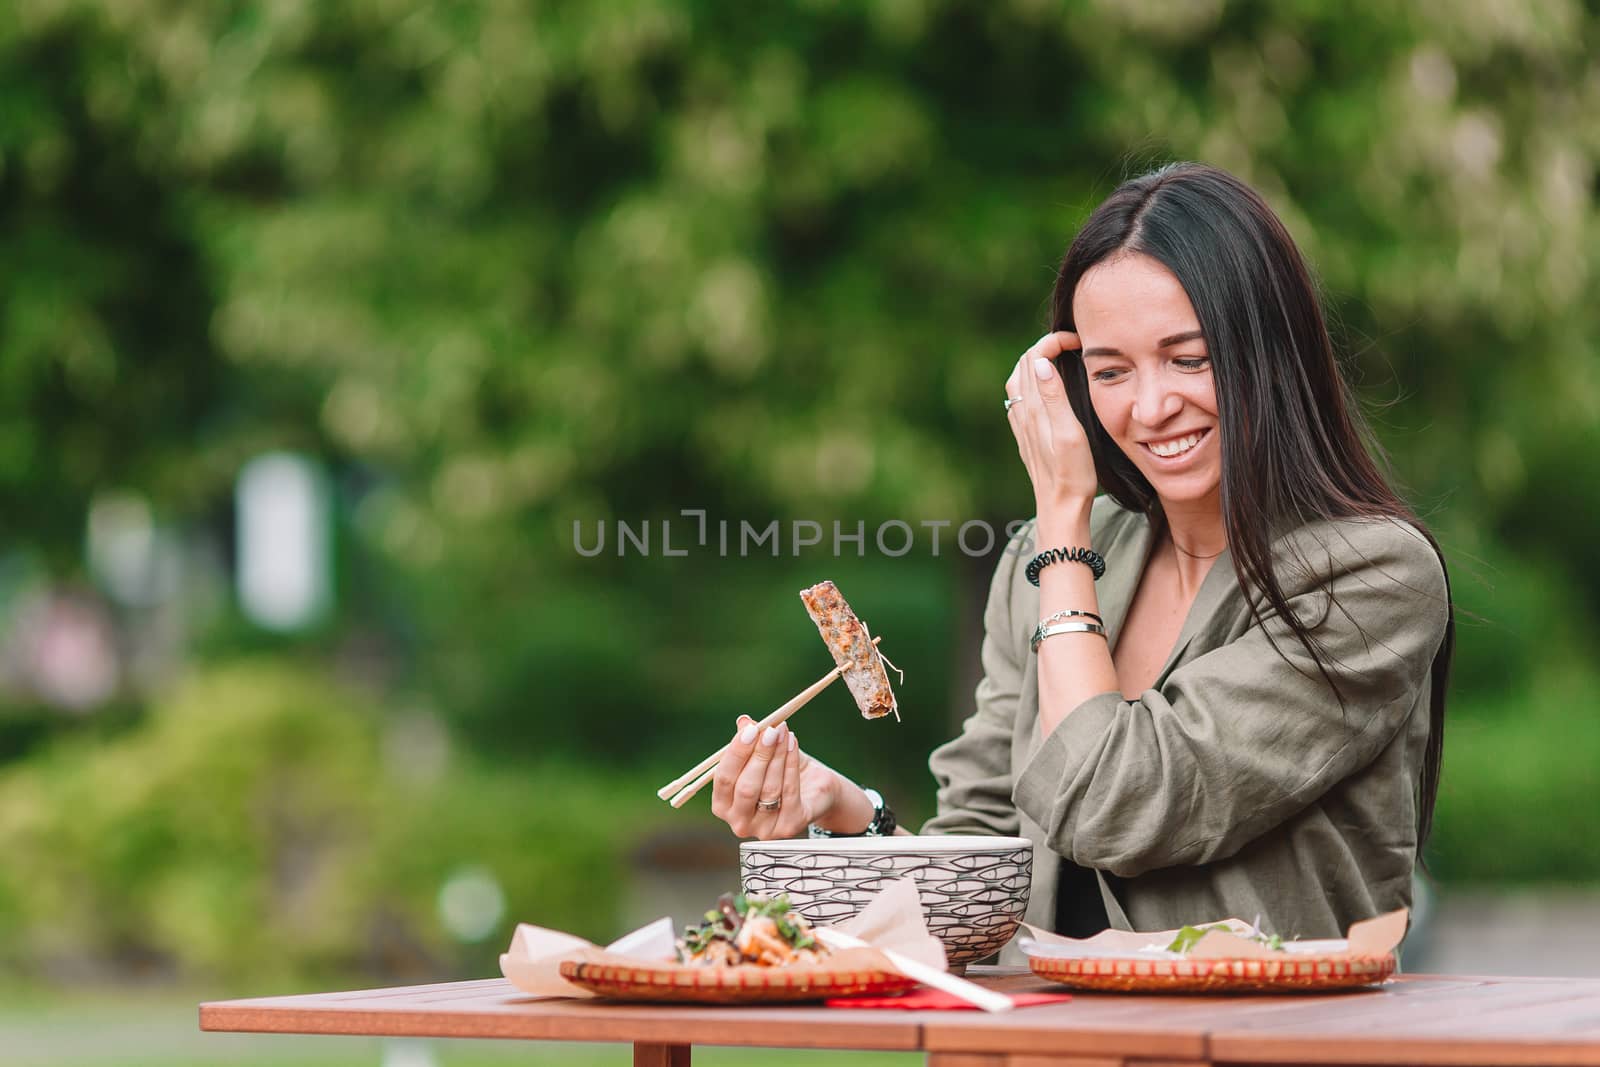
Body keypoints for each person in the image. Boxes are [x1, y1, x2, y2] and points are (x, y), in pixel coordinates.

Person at [708, 162, 1454, 942]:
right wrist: (840, 813)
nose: (1152, 405)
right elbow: (978, 877)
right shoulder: (1047, 556)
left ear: (1268, 351)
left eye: (1189, 358)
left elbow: (1118, 807)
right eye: (1110, 371)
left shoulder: (1370, 577)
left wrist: (1063, 520)